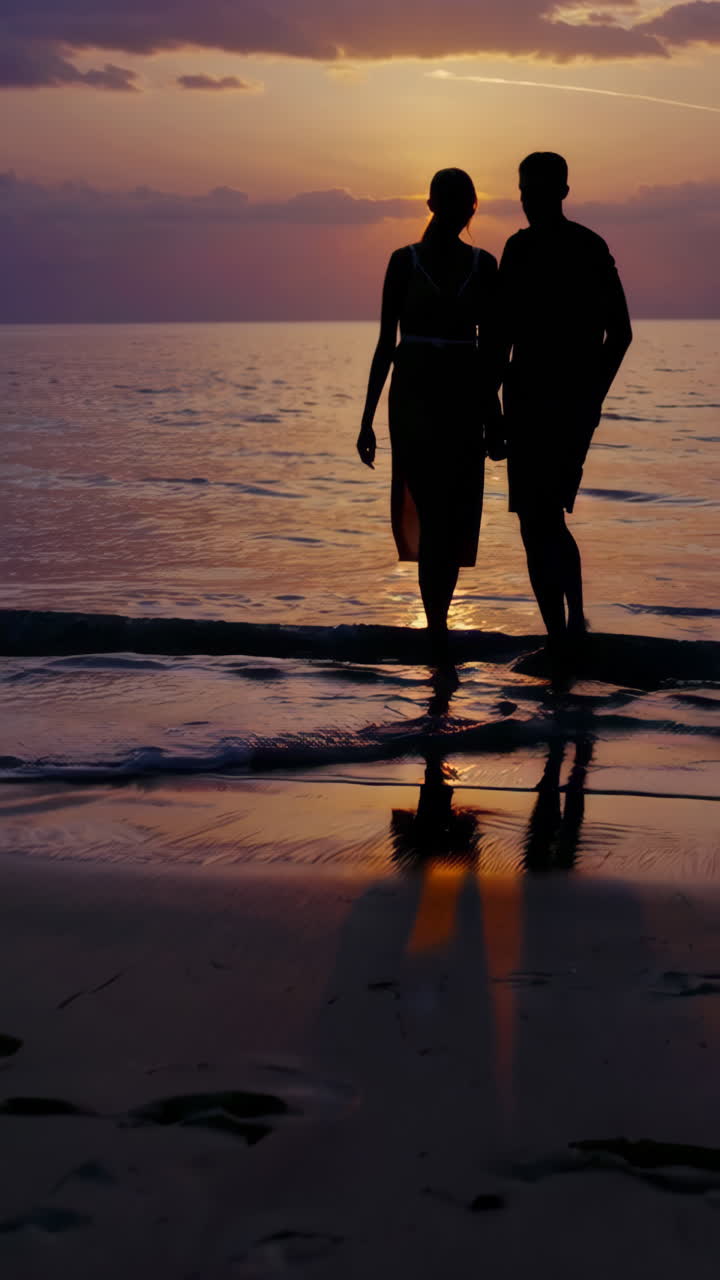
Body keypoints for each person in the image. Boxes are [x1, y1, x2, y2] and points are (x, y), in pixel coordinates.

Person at [357, 168, 504, 659]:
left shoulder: (485, 265)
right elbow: (385, 344)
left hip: (464, 401)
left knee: (452, 517)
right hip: (414, 401)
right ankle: (438, 632)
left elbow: (493, 349)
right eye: (450, 199)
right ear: (433, 204)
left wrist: (495, 415)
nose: (458, 208)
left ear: (472, 208)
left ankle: (438, 629)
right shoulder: (404, 262)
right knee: (435, 515)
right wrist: (366, 421)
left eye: (465, 201)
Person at [499, 152, 632, 659]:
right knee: (537, 520)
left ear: (562, 192)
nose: (527, 199)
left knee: (543, 518)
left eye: (534, 190)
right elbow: (500, 337)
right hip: (528, 402)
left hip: (563, 404)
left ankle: (569, 629)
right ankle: (563, 632)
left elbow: (619, 334)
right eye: (523, 190)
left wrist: (591, 397)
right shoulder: (520, 248)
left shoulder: (587, 247)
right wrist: (492, 412)